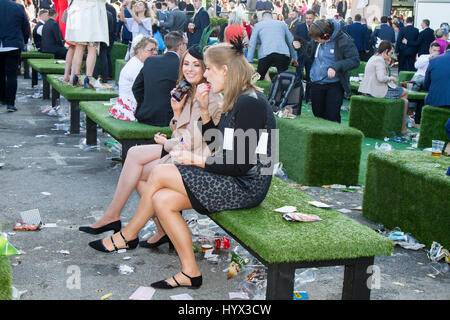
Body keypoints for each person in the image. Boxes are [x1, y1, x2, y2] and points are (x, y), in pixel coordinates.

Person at [88, 40, 276, 291]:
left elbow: (239, 166)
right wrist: (205, 113)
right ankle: (189, 272)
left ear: (225, 71)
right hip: (234, 177)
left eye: (208, 68)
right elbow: (218, 144)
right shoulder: (239, 97)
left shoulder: (250, 102)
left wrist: (196, 160)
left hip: (247, 186)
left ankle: (128, 235)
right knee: (163, 200)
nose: (206, 74)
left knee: (160, 172)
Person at [80, 45, 222, 249]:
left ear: (206, 69)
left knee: (140, 173)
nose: (189, 69)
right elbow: (182, 134)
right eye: (186, 64)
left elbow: (190, 141)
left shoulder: (207, 97)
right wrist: (176, 111)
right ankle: (142, 224)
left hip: (194, 157)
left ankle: (139, 228)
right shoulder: (190, 91)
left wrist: (167, 143)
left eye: (196, 65)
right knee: (135, 155)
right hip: (184, 150)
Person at [299, 18, 359, 123]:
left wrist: (336, 66)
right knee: (317, 114)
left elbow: (354, 61)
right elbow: (310, 53)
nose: (315, 42)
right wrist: (300, 44)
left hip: (334, 84)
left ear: (326, 36)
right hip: (316, 82)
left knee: (332, 116)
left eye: (317, 40)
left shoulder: (343, 40)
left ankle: (334, 138)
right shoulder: (317, 40)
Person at [132, 31, 186, 126]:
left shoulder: (150, 60)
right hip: (168, 118)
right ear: (181, 46)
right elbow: (180, 95)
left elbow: (136, 88)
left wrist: (146, 104)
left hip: (145, 115)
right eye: (186, 44)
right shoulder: (182, 66)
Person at [358, 40, 410, 135]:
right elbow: (381, 78)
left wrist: (386, 64)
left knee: (405, 100)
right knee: (405, 93)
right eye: (390, 52)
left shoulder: (374, 57)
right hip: (377, 90)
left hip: (370, 89)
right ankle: (402, 127)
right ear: (386, 51)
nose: (391, 55)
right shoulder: (379, 60)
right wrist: (391, 78)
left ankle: (401, 126)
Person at [108, 36, 158, 121]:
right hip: (132, 107)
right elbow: (146, 91)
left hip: (130, 103)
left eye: (156, 49)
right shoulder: (136, 66)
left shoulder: (138, 63)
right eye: (151, 50)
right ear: (139, 50)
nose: (155, 53)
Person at [65, 0, 109, 88]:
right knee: (92, 48)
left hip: (78, 14)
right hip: (93, 15)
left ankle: (76, 77)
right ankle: (88, 78)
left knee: (79, 48)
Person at [247, 11, 297, 81]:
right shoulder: (282, 24)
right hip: (282, 53)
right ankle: (284, 91)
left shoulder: (258, 25)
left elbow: (252, 44)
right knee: (283, 77)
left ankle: (249, 87)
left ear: (262, 18)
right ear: (271, 17)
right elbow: (291, 40)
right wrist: (295, 57)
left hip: (265, 53)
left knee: (258, 76)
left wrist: (250, 61)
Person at [0, 0, 31, 112]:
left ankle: (2, 98)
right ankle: (10, 103)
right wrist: (25, 40)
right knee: (12, 75)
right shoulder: (18, 7)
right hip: (13, 44)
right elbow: (25, 25)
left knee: (1, 74)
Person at [293, 9, 315, 105]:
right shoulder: (299, 26)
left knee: (310, 77)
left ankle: (309, 97)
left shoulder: (316, 27)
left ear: (314, 18)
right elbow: (295, 40)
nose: (308, 20)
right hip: (301, 55)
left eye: (310, 18)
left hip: (311, 57)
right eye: (307, 18)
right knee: (299, 76)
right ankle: (299, 95)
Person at [423, 43, 450, 108]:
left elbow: (426, 84)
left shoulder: (433, 60)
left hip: (435, 100)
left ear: (445, 50)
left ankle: (417, 117)